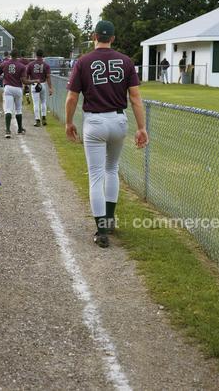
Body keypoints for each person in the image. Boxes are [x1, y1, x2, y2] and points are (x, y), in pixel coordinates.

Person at [64, 20, 149, 248]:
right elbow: (135, 98)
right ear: (112, 38)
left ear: (94, 36)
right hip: (119, 119)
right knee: (112, 169)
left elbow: (72, 97)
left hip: (95, 120)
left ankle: (102, 230)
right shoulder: (126, 61)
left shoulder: (83, 61)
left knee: (96, 175)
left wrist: (69, 122)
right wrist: (141, 127)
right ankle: (110, 219)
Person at [0, 49, 39, 138]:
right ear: (18, 55)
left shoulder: (4, 64)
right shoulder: (22, 66)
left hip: (8, 87)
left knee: (8, 109)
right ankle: (19, 129)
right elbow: (25, 81)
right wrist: (35, 81)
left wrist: (2, 77)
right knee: (18, 110)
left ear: (10, 55)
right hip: (17, 88)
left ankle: (8, 130)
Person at [27, 49, 53, 127]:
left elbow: (27, 75)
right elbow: (48, 77)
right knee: (43, 102)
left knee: (36, 103)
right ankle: (44, 118)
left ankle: (37, 120)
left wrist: (27, 85)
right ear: (43, 55)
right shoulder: (46, 65)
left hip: (34, 84)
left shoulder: (31, 64)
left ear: (36, 55)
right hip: (43, 84)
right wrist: (50, 87)